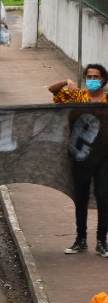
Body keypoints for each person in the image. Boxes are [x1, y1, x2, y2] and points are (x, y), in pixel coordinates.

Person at [49, 63, 108, 255]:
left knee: (104, 199)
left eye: (96, 77)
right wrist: (66, 81)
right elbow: (53, 91)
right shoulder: (76, 96)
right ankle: (80, 240)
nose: (92, 81)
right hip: (80, 157)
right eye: (88, 77)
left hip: (104, 158)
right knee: (80, 199)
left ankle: (101, 241)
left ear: (104, 80)